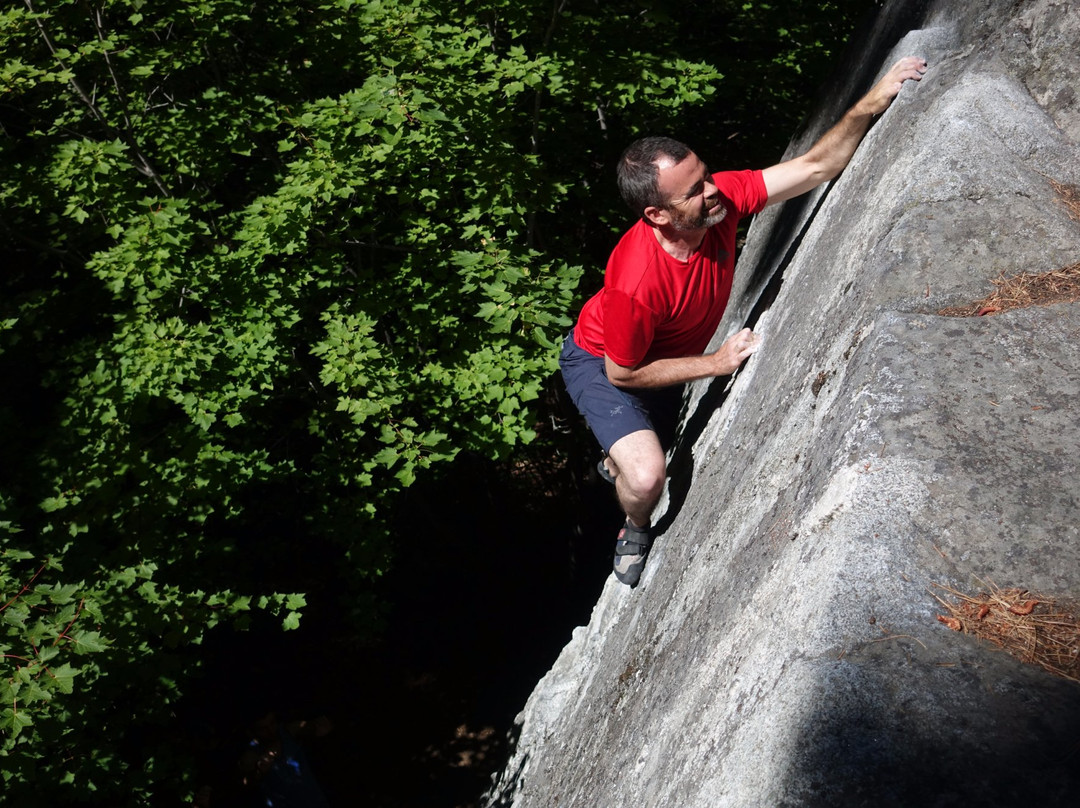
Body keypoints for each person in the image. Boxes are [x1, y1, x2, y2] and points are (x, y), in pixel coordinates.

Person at [560, 57, 928, 586]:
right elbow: (624, 373)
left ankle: (614, 454)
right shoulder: (636, 282)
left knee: (635, 452)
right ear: (657, 215)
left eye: (706, 176)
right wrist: (715, 363)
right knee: (646, 477)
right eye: (693, 191)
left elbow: (814, 168)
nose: (712, 191)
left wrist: (873, 100)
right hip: (605, 364)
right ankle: (633, 527)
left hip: (657, 356)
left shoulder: (719, 202)